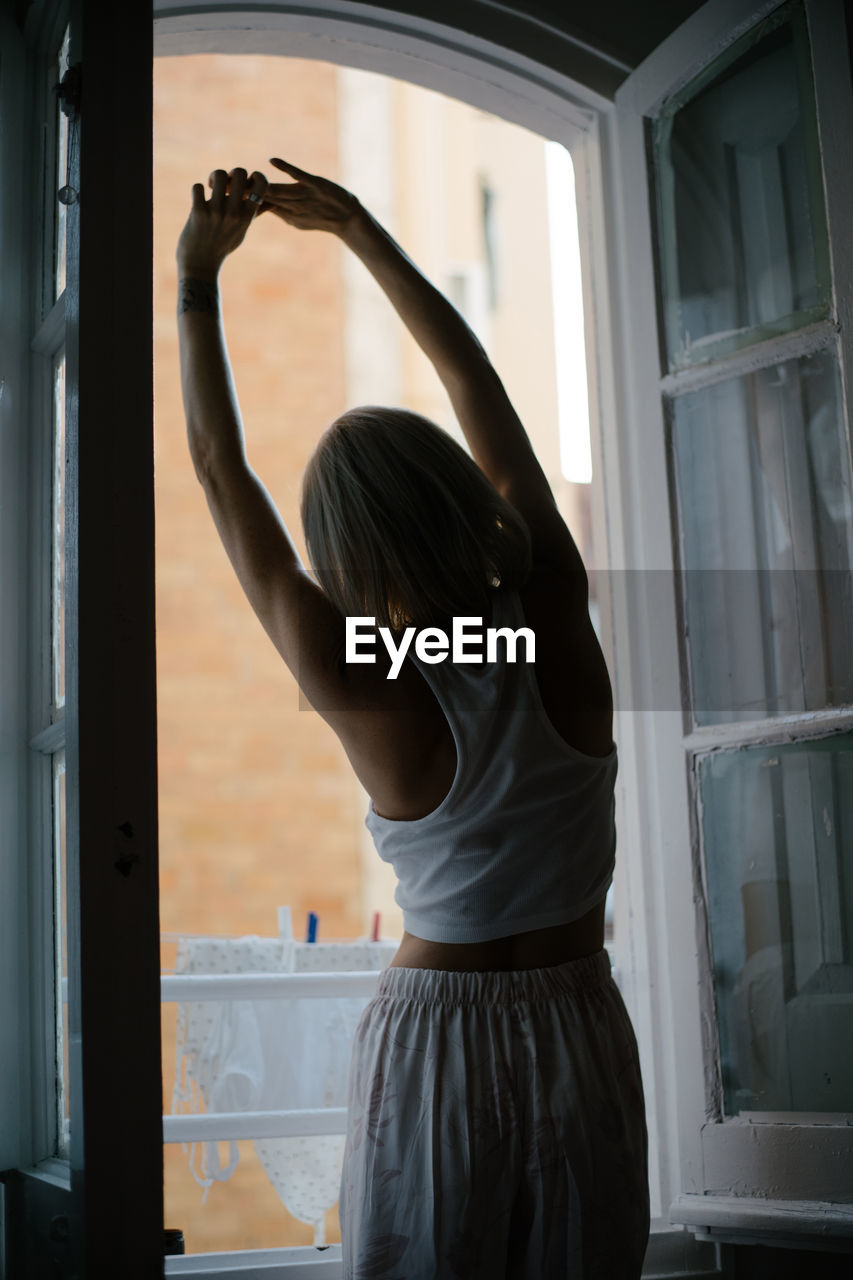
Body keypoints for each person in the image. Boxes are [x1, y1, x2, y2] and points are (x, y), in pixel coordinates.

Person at [176, 160, 650, 1278]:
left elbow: (216, 470)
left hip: (438, 1028)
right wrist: (358, 230)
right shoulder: (551, 616)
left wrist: (196, 281)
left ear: (346, 554)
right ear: (459, 494)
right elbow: (477, 386)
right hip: (582, 1017)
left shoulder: (366, 673)